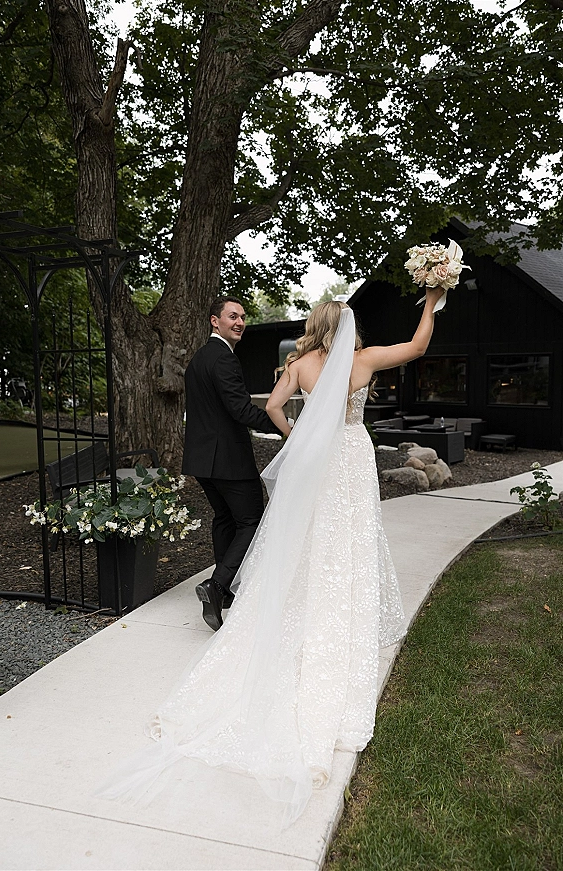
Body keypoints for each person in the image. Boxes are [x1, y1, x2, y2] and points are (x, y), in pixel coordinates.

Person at [96, 287, 444, 826]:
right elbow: (419, 347)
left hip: (319, 460)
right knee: (349, 536)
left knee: (309, 539)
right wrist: (432, 298)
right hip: (351, 456)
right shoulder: (363, 361)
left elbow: (276, 407)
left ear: (316, 324)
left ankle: (279, 605)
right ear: (348, 328)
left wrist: (300, 437)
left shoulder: (301, 364)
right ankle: (340, 612)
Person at [181, 295, 284, 630]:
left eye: (242, 317)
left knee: (225, 519)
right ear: (215, 321)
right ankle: (217, 585)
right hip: (227, 459)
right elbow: (240, 409)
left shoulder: (199, 358)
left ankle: (222, 592)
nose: (239, 322)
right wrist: (285, 426)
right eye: (232, 316)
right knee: (251, 520)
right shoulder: (223, 358)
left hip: (201, 460)